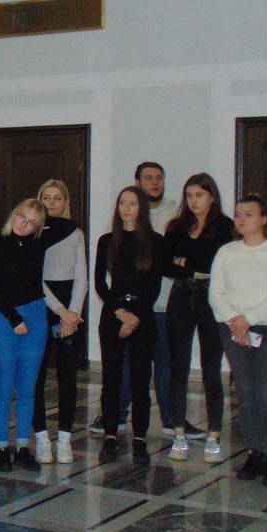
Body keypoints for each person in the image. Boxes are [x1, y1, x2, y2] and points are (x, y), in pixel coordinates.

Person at [210, 194, 267, 487]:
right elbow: (216, 293)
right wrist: (236, 320)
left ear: (264, 219)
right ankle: (254, 451)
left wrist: (249, 318)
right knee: (246, 392)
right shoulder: (227, 251)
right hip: (234, 328)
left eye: (249, 214)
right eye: (238, 214)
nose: (241, 219)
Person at [162, 173, 235, 463]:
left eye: (199, 195)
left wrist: (186, 262)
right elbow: (166, 265)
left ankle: (213, 436)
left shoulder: (225, 226)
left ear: (211, 196)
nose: (193, 201)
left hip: (211, 296)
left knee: (211, 368)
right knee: (178, 366)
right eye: (189, 195)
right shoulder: (177, 226)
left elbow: (217, 264)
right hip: (181, 295)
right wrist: (191, 266)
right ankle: (179, 433)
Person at [94, 185, 166, 466]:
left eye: (132, 203)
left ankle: (139, 438)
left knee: (140, 378)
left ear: (142, 208)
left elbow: (154, 285)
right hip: (113, 314)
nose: (126, 208)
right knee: (111, 377)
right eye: (122, 202)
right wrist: (120, 312)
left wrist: (134, 317)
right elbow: (100, 283)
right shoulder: (106, 240)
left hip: (142, 316)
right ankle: (110, 435)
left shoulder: (155, 242)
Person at [0, 198, 53, 472]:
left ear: (39, 228)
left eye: (32, 222)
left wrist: (44, 216)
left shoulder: (38, 244)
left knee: (27, 388)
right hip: (5, 317)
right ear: (14, 213)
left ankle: (23, 446)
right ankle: (2, 447)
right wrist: (14, 319)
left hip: (35, 316)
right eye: (22, 216)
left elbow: (68, 226)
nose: (24, 224)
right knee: (4, 386)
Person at [114, 161, 178, 437]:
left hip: (165, 304)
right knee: (127, 364)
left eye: (159, 177)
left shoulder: (177, 212)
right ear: (137, 182)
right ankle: (116, 414)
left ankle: (171, 419)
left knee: (165, 363)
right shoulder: (125, 218)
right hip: (132, 307)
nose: (155, 182)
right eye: (149, 178)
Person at [34, 179, 85, 464]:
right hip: (41, 304)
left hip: (70, 311)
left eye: (57, 198)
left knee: (68, 376)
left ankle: (64, 438)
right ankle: (41, 437)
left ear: (66, 202)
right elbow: (34, 278)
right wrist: (60, 310)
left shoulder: (75, 233)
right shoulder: (33, 231)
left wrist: (72, 314)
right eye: (46, 197)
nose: (52, 202)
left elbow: (82, 278)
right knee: (36, 375)